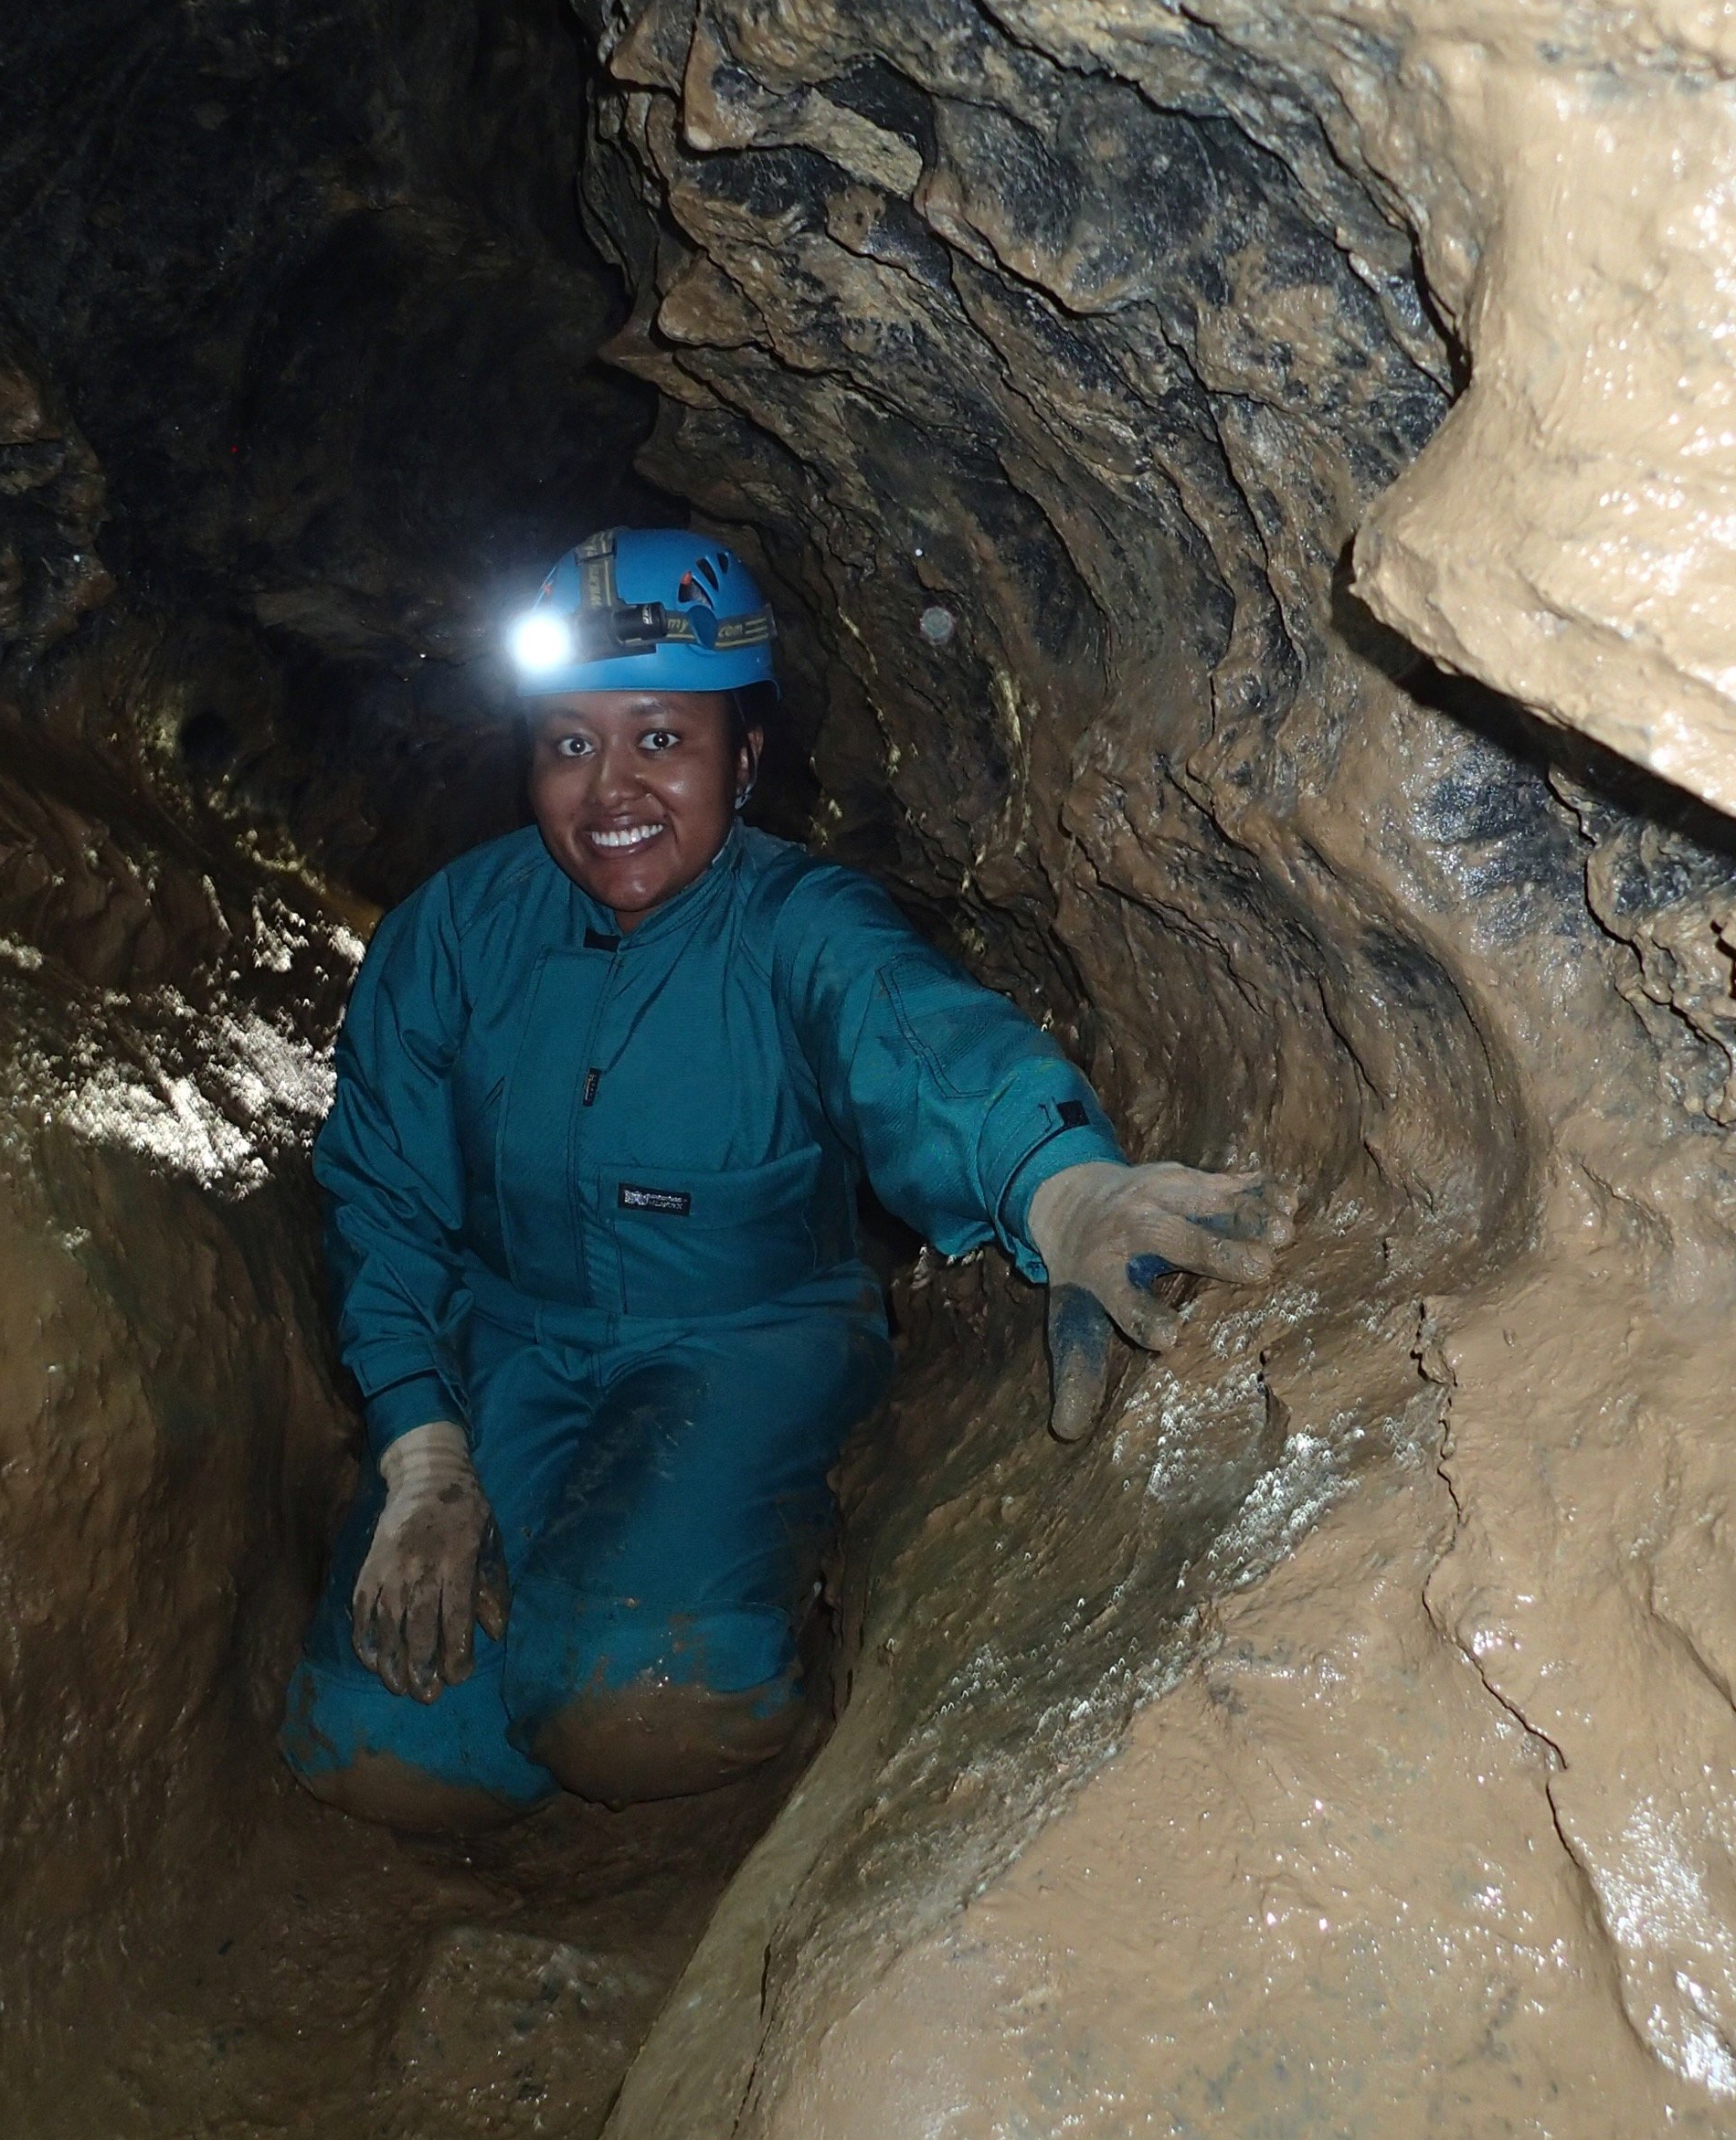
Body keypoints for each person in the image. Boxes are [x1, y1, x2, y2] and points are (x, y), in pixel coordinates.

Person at [280, 530, 1289, 1832]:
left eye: (661, 739)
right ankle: (536, 1599)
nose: (611, 789)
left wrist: (1064, 1189)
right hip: (508, 1341)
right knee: (385, 1754)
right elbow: (384, 1201)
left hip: (746, 1345)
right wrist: (423, 1456)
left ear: (742, 758)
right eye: (570, 744)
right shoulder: (452, 938)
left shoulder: (798, 927)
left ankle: (770, 1580)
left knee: (638, 1712)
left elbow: (918, 1042)